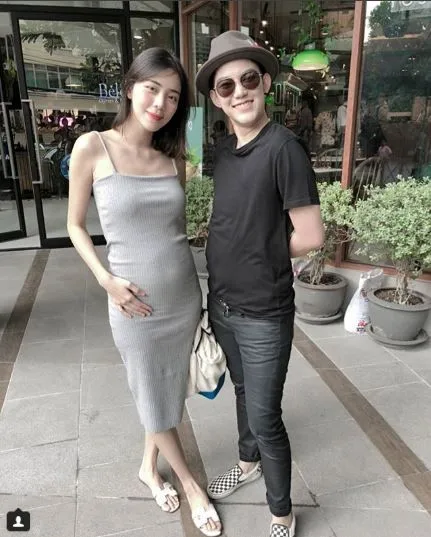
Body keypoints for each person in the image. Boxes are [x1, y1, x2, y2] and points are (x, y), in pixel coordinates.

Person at [67, 47, 221, 537]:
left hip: (183, 298)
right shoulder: (93, 147)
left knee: (167, 392)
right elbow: (74, 225)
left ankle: (147, 467)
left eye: (173, 96)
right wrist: (105, 279)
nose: (161, 103)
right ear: (131, 87)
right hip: (133, 304)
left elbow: (173, 231)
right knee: (152, 396)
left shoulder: (172, 158)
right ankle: (191, 486)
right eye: (153, 89)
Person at [195, 31, 324, 537]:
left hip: (265, 313)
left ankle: (281, 511)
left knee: (267, 417)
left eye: (248, 79)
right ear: (215, 98)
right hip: (223, 305)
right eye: (226, 86)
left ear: (266, 83)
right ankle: (247, 462)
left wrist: (260, 251)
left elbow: (310, 236)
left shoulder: (284, 149)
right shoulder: (224, 151)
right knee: (242, 392)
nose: (239, 92)